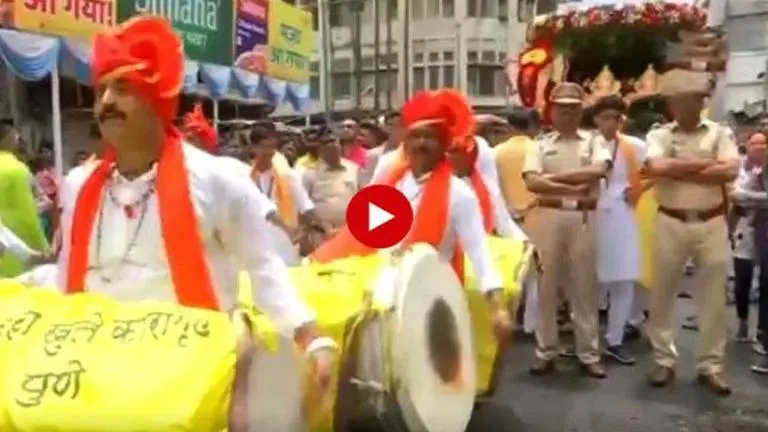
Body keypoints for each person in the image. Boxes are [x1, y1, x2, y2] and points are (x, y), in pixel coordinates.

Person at [56, 16, 334, 394]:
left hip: (190, 382)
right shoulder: (78, 186)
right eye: (101, 89)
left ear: (157, 99)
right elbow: (65, 283)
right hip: (94, 379)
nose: (106, 102)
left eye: (123, 88)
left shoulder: (218, 179)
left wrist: (311, 337)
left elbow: (263, 266)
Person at [311, 89, 512, 342]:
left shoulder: (459, 195)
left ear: (443, 144)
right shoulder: (391, 179)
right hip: (385, 293)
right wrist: (322, 256)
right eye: (415, 136)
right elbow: (361, 230)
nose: (421, 144)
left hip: (435, 296)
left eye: (430, 137)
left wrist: (498, 307)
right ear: (406, 142)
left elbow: (481, 255)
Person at [644, 69, 738, 395]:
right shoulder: (659, 135)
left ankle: (710, 366)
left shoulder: (720, 133)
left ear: (702, 102)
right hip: (670, 220)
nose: (689, 106)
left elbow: (730, 169)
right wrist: (704, 166)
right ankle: (663, 359)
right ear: (673, 104)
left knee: (713, 297)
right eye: (682, 100)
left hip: (712, 222)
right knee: (662, 293)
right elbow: (656, 168)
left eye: (696, 99)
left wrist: (679, 166)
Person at [523, 82, 610, 378]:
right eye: (562, 108)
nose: (568, 114)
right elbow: (532, 182)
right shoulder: (540, 143)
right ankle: (545, 351)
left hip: (582, 217)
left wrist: (555, 179)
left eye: (573, 108)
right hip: (548, 215)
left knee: (584, 287)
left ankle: (588, 353)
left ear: (580, 110)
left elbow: (598, 171)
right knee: (546, 287)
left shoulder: (593, 141)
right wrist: (573, 183)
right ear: (552, 111)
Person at [591, 95, 647, 365]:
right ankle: (586, 342)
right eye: (605, 117)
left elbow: (652, 171)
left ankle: (615, 340)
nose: (611, 123)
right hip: (589, 215)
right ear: (595, 120)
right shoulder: (587, 144)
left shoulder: (634, 146)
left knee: (624, 280)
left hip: (624, 217)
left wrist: (635, 189)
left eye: (616, 117)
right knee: (587, 281)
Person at [0, 122, 50, 277]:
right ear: (4, 140)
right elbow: (27, 212)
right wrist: (42, 246)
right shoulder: (17, 170)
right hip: (17, 243)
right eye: (14, 136)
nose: (17, 139)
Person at [730, 132, 766, 344]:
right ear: (747, 146)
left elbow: (743, 195)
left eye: (763, 144)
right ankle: (742, 321)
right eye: (754, 144)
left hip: (764, 226)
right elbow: (734, 195)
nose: (758, 147)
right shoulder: (738, 168)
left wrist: (747, 198)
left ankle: (762, 330)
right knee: (742, 277)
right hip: (744, 225)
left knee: (764, 281)